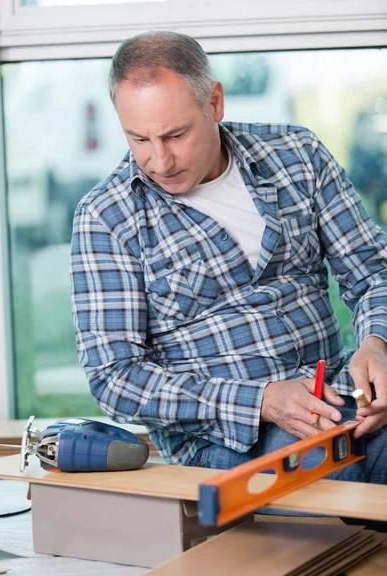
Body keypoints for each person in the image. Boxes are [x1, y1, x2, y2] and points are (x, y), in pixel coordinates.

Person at [70, 31, 387, 487]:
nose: (159, 161)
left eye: (176, 135)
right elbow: (115, 378)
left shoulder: (298, 156)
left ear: (214, 103)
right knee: (333, 470)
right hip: (224, 437)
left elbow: (373, 272)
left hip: (335, 396)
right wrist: (263, 400)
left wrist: (376, 344)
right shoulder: (106, 217)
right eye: (139, 139)